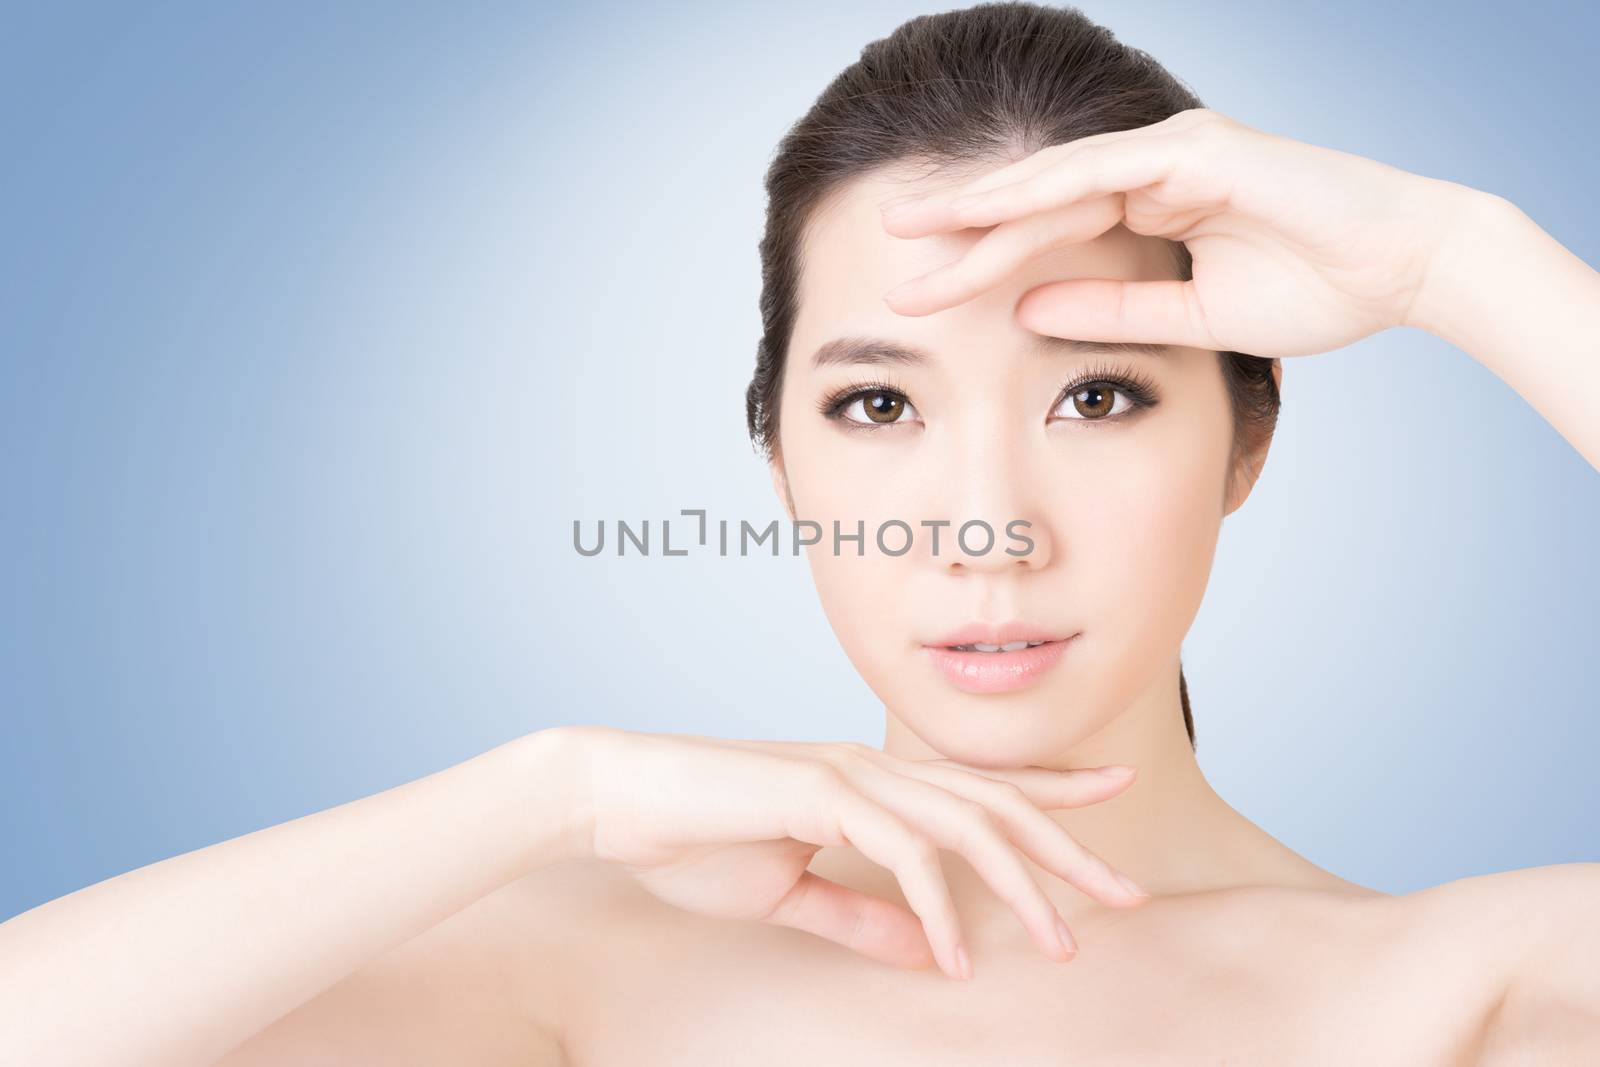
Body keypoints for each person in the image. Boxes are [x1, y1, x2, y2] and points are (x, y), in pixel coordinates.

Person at [3, 3, 1597, 1063]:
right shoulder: (578, 963)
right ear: (776, 455)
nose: (988, 529)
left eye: (1099, 398)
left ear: (1246, 439)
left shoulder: (1463, 991)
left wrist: (1456, 265)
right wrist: (541, 793)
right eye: (880, 407)